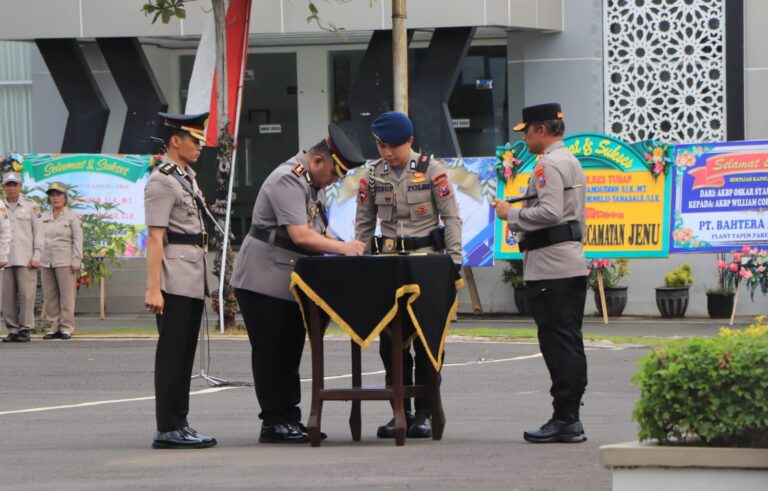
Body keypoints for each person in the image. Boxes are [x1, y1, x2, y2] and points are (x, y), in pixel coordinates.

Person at [231, 124, 366, 444]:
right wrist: (344, 249)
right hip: (263, 280)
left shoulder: (310, 185)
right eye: (335, 173)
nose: (335, 180)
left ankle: (289, 417)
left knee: (289, 352)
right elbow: (301, 235)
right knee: (271, 352)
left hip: (288, 281)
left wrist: (350, 247)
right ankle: (274, 421)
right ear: (318, 161)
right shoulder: (288, 179)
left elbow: (323, 232)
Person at [354, 111, 463, 439]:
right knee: (391, 344)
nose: (387, 152)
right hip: (388, 266)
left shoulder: (432, 170)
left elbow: (451, 218)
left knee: (428, 341)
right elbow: (363, 224)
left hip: (426, 265)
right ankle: (398, 409)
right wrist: (360, 258)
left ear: (410, 142)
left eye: (394, 147)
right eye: (382, 146)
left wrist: (454, 262)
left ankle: (425, 412)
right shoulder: (372, 176)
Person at [492, 103, 588, 443]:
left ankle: (565, 418)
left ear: (543, 131)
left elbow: (550, 212)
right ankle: (569, 416)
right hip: (570, 262)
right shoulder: (570, 160)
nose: (525, 137)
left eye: (528, 130)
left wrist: (511, 213)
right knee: (569, 341)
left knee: (557, 343)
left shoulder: (547, 164)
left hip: (551, 268)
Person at [144, 112, 217, 449]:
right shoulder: (162, 180)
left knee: (185, 353)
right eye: (194, 140)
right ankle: (168, 426)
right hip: (173, 278)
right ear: (176, 141)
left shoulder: (185, 177)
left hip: (191, 274)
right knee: (172, 355)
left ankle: (180, 422)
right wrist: (153, 287)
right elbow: (156, 238)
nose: (200, 146)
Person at [39, 182, 83, 341]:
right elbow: (38, 238)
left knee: (67, 296)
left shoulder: (72, 216)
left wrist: (76, 260)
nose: (55, 198)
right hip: (46, 260)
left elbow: (78, 240)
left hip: (65, 260)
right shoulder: (43, 216)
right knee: (50, 296)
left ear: (65, 198)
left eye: (58, 195)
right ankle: (54, 326)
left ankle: (66, 327)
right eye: (52, 195)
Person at [0, 172, 29, 343]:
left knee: (26, 295)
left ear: (20, 186)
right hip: (5, 258)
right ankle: (12, 329)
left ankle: (25, 328)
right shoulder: (1, 205)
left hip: (24, 257)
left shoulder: (30, 206)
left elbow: (38, 233)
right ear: (3, 187)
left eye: (14, 184)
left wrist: (36, 255)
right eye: (8, 185)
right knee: (6, 296)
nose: (11, 188)